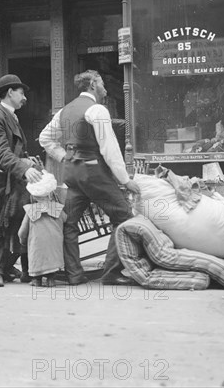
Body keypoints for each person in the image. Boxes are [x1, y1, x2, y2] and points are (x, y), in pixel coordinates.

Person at [39, 70, 141, 286]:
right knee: (123, 217)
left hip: (72, 174)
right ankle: (111, 272)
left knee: (70, 224)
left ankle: (74, 275)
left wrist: (64, 157)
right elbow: (110, 149)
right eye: (102, 83)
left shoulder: (64, 111)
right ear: (93, 84)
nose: (105, 88)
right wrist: (125, 180)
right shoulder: (97, 110)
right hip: (94, 173)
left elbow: (44, 138)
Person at [0, 74, 42, 287]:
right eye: (21, 93)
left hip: (10, 180)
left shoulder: (10, 116)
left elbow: (13, 151)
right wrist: (24, 169)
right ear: (10, 92)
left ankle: (5, 266)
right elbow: (1, 154)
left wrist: (25, 159)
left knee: (14, 224)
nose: (24, 98)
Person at [17, 170, 66, 287]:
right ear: (50, 194)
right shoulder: (57, 208)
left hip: (37, 246)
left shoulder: (31, 211)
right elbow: (65, 219)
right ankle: (51, 279)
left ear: (33, 196)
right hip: (54, 245)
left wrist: (22, 241)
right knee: (52, 259)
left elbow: (22, 232)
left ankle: (36, 280)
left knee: (36, 257)